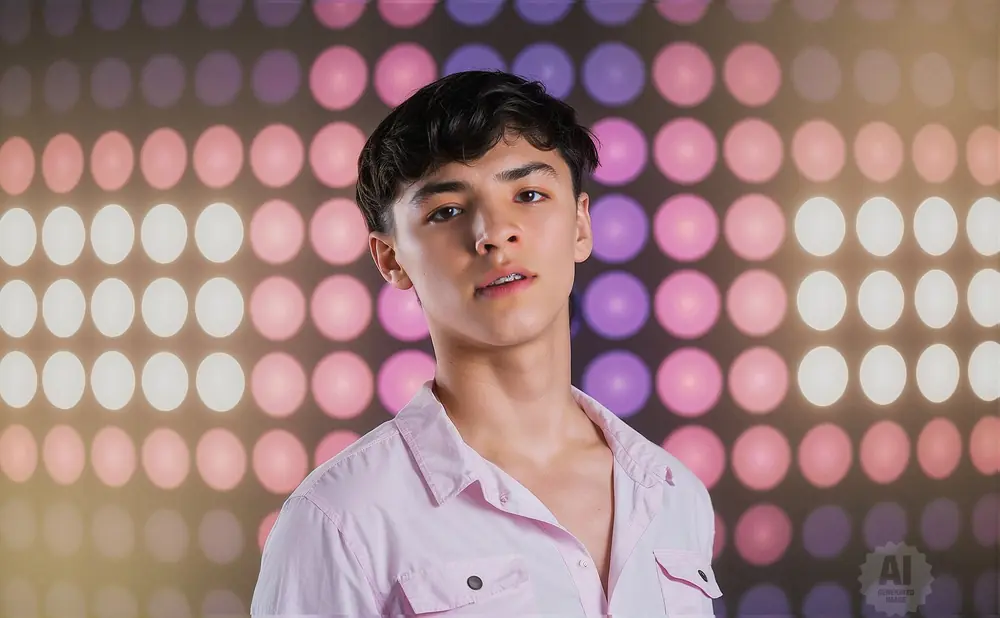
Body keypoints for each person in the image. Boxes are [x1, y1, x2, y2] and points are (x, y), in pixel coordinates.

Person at [250, 70, 721, 617]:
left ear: (580, 226)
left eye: (529, 194)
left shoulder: (673, 495)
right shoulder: (340, 518)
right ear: (390, 258)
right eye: (445, 211)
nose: (494, 232)